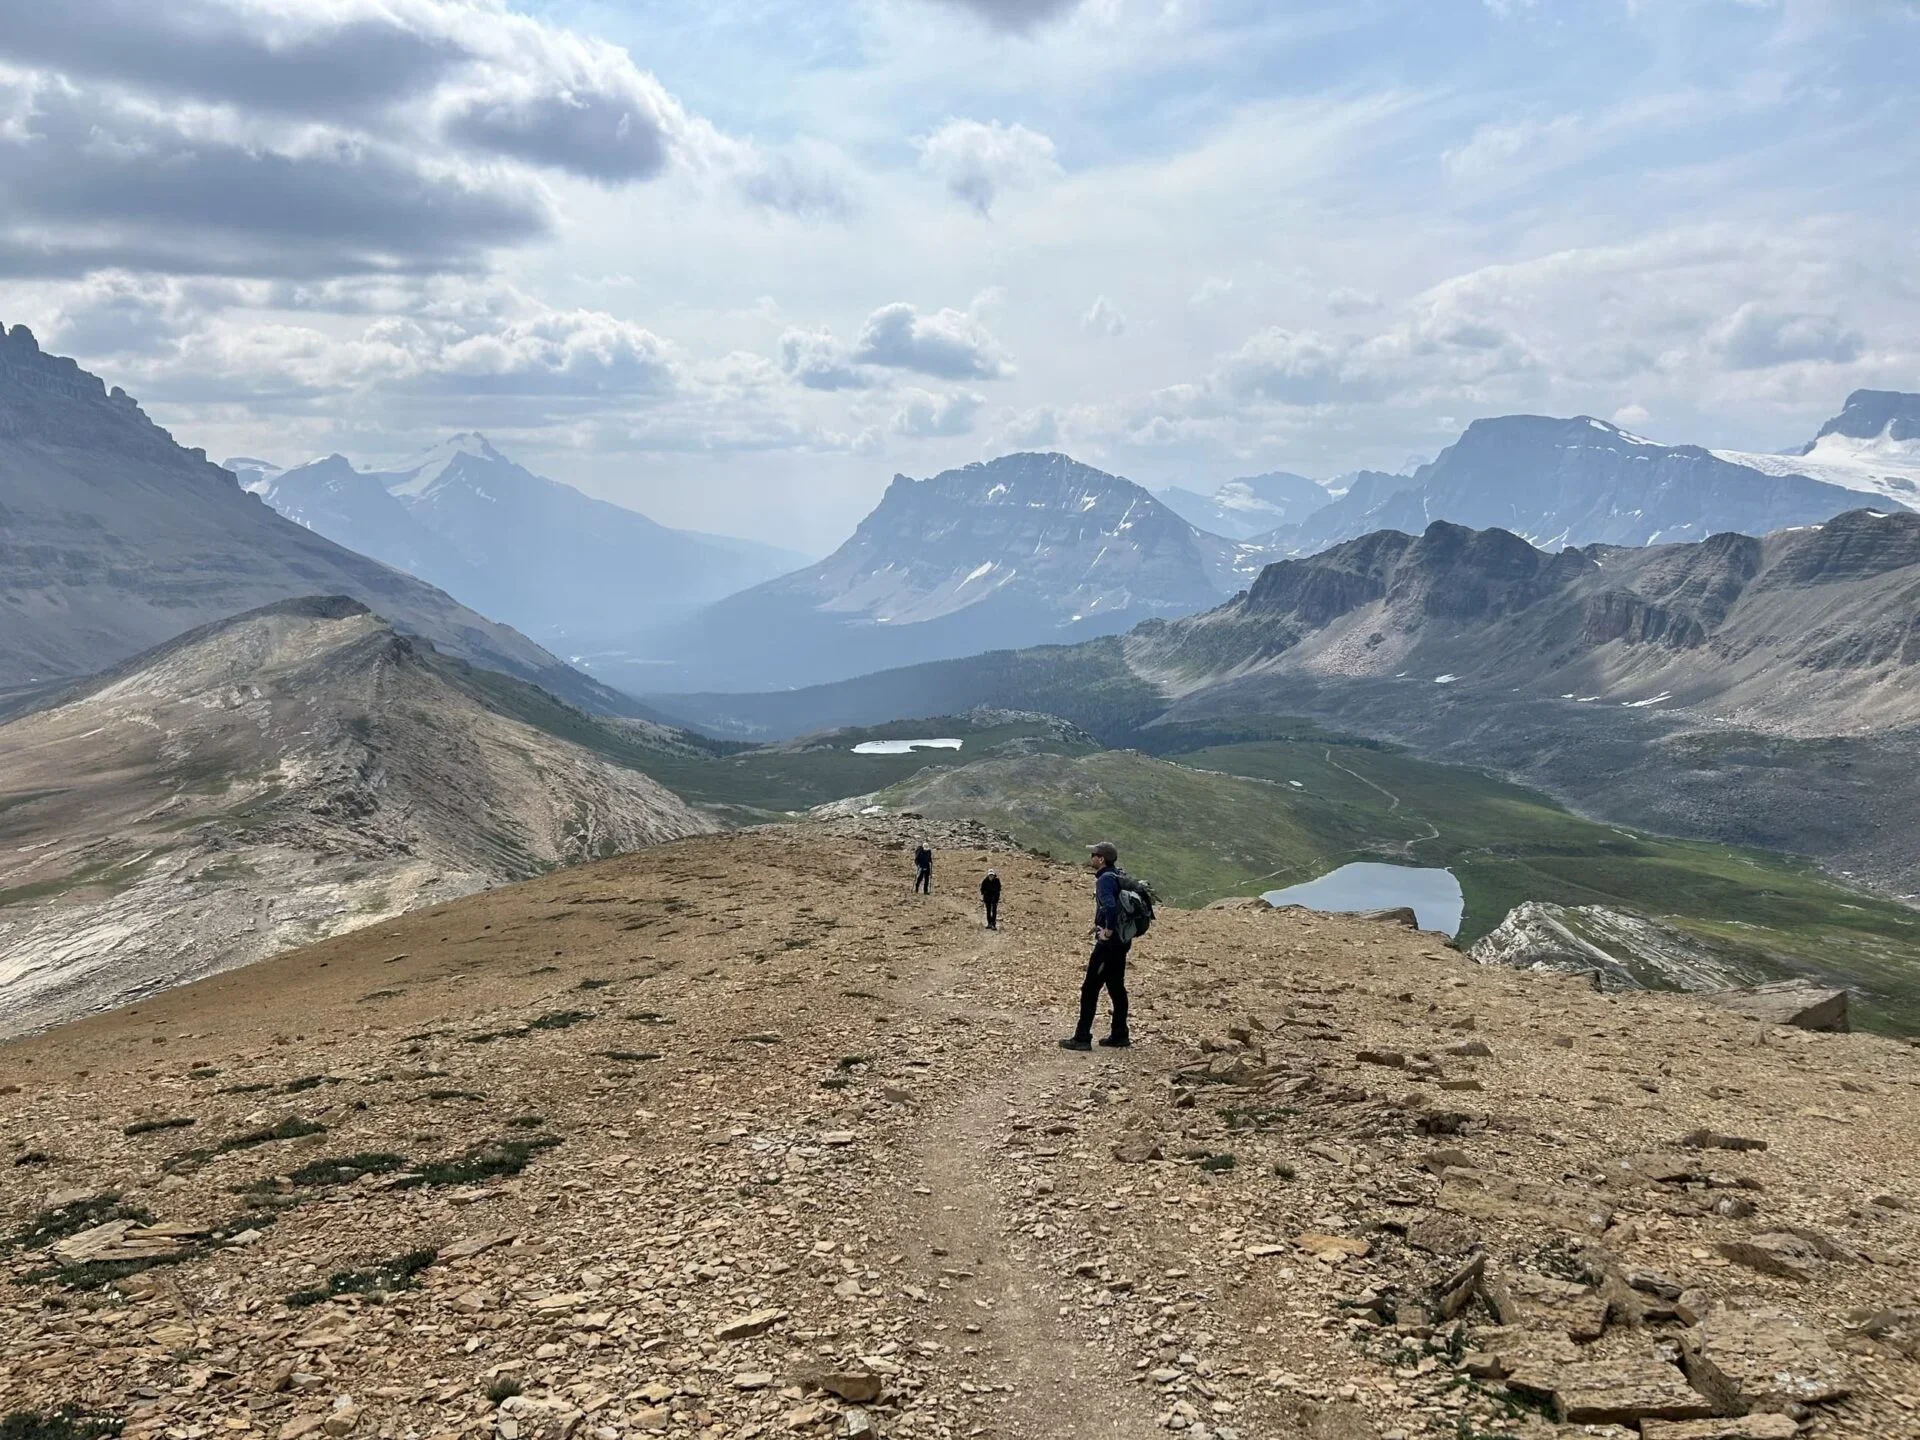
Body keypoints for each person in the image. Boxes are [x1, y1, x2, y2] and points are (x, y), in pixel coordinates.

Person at [1061, 840, 1131, 1051]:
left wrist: (1107, 931)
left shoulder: (1104, 880)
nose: (1091, 857)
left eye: (1094, 854)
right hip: (1122, 943)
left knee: (1090, 988)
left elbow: (1109, 906)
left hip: (1108, 946)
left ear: (1101, 859)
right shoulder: (1118, 875)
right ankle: (1120, 1035)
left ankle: (1082, 1037)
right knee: (1116, 987)